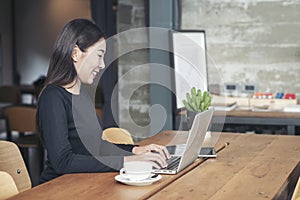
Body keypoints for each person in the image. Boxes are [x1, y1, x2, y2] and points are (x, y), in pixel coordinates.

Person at [37, 18, 170, 183]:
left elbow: (99, 147)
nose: (102, 64)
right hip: (57, 187)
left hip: (84, 183)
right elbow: (63, 162)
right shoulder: (53, 98)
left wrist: (136, 150)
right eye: (99, 55)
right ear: (75, 53)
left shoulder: (82, 95)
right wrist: (127, 162)